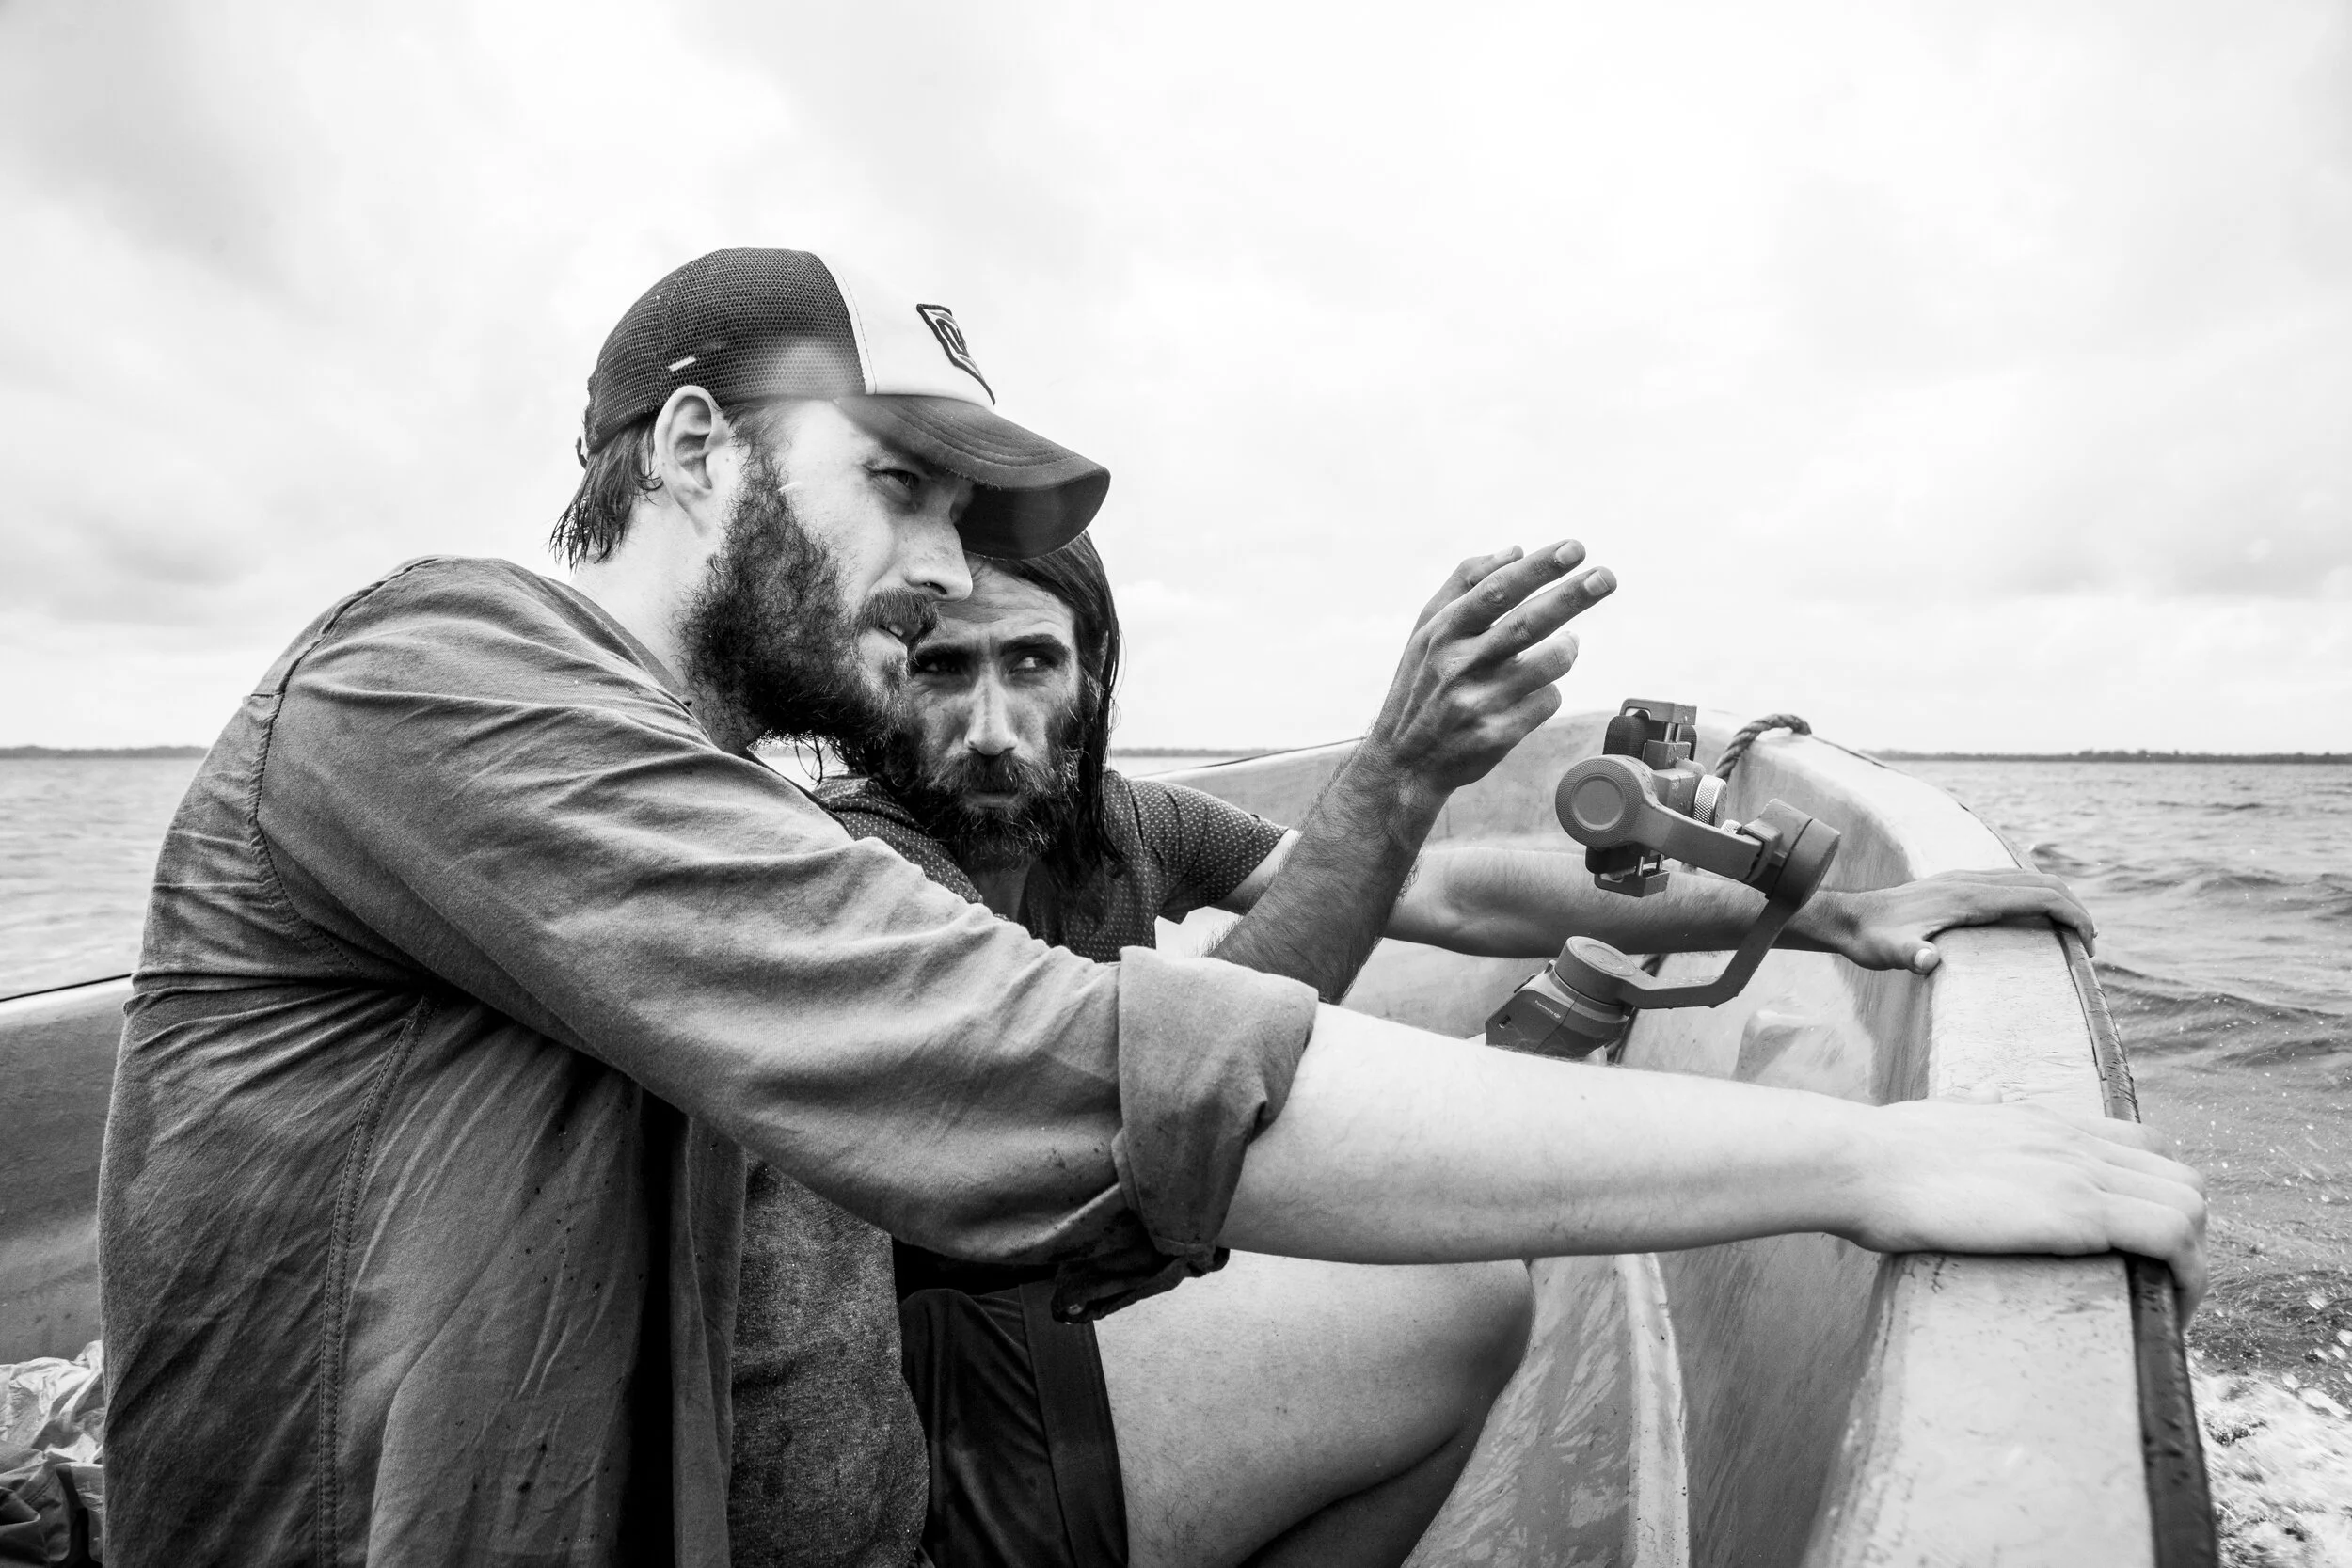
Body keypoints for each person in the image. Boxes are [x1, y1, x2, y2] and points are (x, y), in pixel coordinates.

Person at [98, 247, 2206, 1568]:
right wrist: (1864, 1154)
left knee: (1443, 1311)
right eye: (895, 484)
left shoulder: (700, 769)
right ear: (684, 448)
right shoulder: (433, 678)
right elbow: (1081, 1071)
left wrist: (1765, 898)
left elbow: (1404, 892)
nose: (937, 582)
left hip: (844, 1486)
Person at [800, 532, 2111, 1567]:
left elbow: (1455, 895)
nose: (989, 725)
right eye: (939, 669)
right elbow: (1163, 1113)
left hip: (1055, 1284)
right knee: (1457, 1293)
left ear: (1094, 677)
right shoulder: (864, 860)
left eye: (1029, 664)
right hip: (910, 1396)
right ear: (875, 681)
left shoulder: (1116, 819)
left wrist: (1822, 913)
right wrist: (1398, 764)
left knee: (1454, 1274)